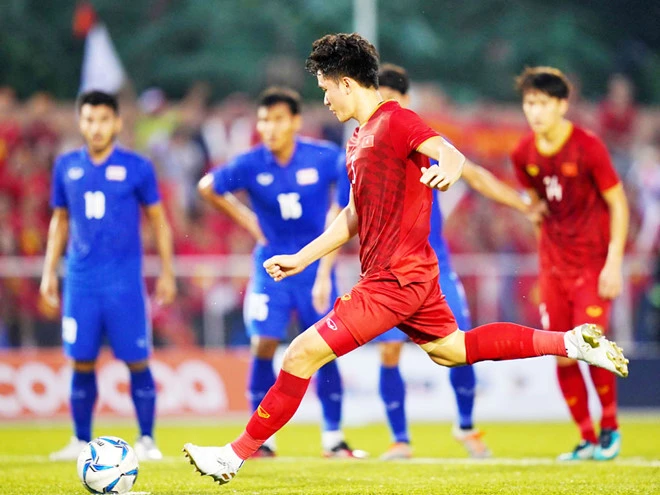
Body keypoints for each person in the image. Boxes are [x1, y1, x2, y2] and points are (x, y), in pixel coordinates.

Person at [182, 34, 628, 485]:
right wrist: (303, 257)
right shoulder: (359, 138)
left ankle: (232, 456)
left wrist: (447, 171)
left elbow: (449, 153)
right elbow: (354, 215)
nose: (325, 99)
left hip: (393, 280)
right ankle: (570, 343)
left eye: (326, 88)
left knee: (299, 354)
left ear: (346, 83)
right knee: (453, 350)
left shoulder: (395, 120)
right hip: (411, 275)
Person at [334, 63, 537, 460]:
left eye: (394, 99)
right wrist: (323, 268)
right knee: (390, 351)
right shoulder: (361, 147)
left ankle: (466, 426)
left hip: (435, 264)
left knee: (460, 341)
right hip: (389, 271)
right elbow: (344, 213)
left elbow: (474, 175)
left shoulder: (421, 139)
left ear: (406, 101)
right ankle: (400, 439)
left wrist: (522, 205)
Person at [197, 86, 364, 458]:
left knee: (325, 349)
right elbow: (207, 187)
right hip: (271, 266)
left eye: (277, 120)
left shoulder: (323, 157)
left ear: (295, 122)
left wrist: (325, 272)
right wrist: (248, 220)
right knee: (263, 343)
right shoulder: (251, 163)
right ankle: (262, 441)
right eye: (263, 120)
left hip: (314, 266)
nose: (269, 128)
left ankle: (333, 437)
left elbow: (346, 203)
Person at [41, 91, 176, 461]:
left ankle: (146, 439)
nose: (96, 127)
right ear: (80, 123)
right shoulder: (66, 166)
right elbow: (59, 221)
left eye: (103, 119)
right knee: (81, 360)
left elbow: (158, 220)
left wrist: (167, 271)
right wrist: (49, 272)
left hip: (124, 284)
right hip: (81, 282)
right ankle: (80, 440)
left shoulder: (138, 167)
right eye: (89, 119)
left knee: (137, 359)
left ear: (116, 122)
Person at [511, 67, 630, 461]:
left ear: (562, 105)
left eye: (543, 103)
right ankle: (586, 438)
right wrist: (538, 231)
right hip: (553, 269)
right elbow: (536, 206)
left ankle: (609, 428)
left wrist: (614, 263)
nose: (535, 111)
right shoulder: (522, 154)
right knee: (562, 352)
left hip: (592, 265)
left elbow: (618, 203)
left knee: (590, 344)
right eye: (529, 103)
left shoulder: (588, 147)